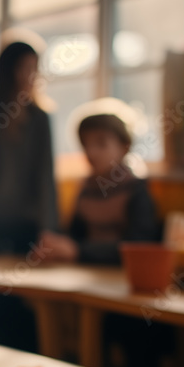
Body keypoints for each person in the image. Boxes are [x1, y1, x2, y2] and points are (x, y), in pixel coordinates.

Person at [0, 41, 58, 255]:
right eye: (25, 68)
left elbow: (46, 175)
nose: (31, 76)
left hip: (29, 228)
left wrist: (48, 229)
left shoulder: (40, 119)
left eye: (35, 68)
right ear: (7, 71)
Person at [39, 112, 160, 264]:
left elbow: (139, 247)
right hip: (86, 273)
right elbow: (75, 234)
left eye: (101, 144)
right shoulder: (86, 189)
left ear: (125, 147)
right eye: (85, 145)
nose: (91, 152)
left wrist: (79, 251)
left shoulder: (135, 191)